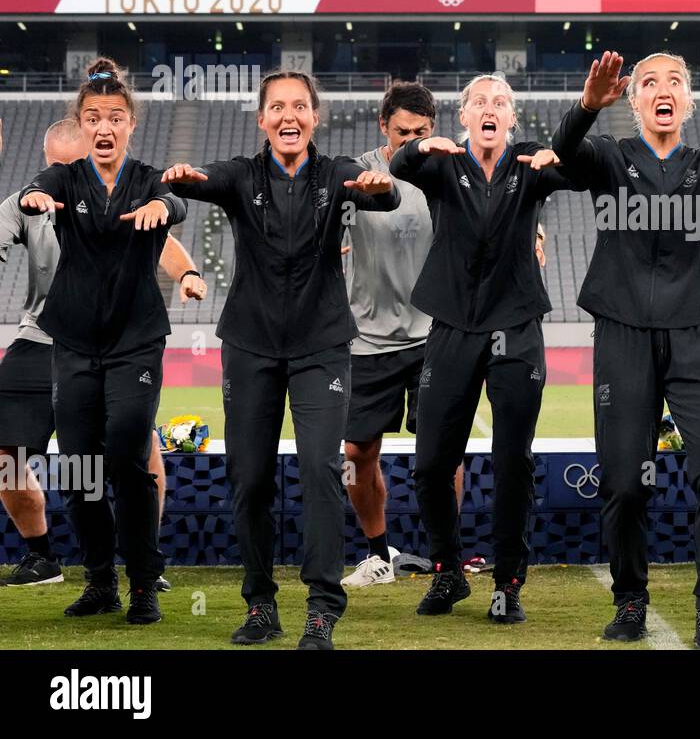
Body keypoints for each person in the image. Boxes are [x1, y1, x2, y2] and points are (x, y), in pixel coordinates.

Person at [550, 51, 700, 649]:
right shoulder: (610, 157)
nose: (663, 90)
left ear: (688, 101)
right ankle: (630, 599)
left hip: (696, 337)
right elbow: (565, 148)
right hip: (623, 332)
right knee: (625, 482)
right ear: (634, 101)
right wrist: (586, 106)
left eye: (675, 82)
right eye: (649, 82)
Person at [162, 70, 399, 650]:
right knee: (249, 478)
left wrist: (378, 185)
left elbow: (386, 194)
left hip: (321, 346)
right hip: (249, 345)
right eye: (276, 108)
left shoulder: (338, 171)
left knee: (322, 471)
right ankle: (260, 604)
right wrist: (184, 180)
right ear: (262, 119)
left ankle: (322, 608)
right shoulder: (242, 175)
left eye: (299, 106)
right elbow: (202, 182)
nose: (288, 116)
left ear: (315, 117)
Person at [390, 73, 577, 625]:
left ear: (512, 118)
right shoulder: (442, 162)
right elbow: (398, 168)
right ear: (464, 117)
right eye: (479, 102)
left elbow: (577, 167)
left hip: (516, 325)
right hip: (451, 325)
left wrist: (559, 153)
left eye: (500, 102)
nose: (489, 109)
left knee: (511, 461)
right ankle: (448, 571)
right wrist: (420, 144)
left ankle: (507, 582)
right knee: (429, 465)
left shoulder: (529, 164)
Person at [0, 119, 206, 590]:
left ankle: (143, 565)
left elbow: (165, 243)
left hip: (113, 342)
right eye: (55, 167)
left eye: (73, 167)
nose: (64, 178)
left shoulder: (120, 198)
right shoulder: (30, 201)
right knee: (5, 455)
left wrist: (189, 272)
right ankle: (41, 556)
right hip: (40, 338)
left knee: (139, 449)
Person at [338, 81, 437, 589]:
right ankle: (378, 555)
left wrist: (534, 232)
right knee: (356, 455)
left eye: (421, 132)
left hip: (434, 336)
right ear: (384, 128)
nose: (412, 141)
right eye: (402, 133)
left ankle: (444, 559)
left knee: (443, 450)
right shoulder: (355, 175)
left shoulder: (448, 171)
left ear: (434, 130)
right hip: (367, 338)